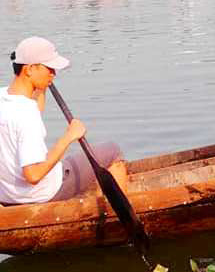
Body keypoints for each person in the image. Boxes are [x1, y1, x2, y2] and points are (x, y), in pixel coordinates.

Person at [0, 37, 127, 204]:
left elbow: (34, 111)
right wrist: (69, 137)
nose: (54, 73)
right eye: (49, 69)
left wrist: (42, 85)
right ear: (29, 69)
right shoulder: (26, 115)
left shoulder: (5, 97)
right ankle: (115, 219)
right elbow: (33, 175)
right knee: (113, 151)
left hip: (8, 194)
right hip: (41, 193)